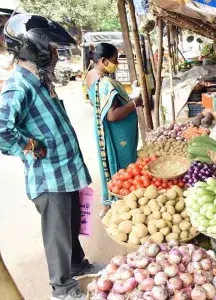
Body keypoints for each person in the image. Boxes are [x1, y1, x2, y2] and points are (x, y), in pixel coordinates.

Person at [0, 14, 101, 300]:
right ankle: (62, 288)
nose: (56, 54)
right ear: (35, 48)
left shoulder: (39, 81)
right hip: (48, 177)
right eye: (52, 48)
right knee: (57, 235)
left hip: (64, 172)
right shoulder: (19, 84)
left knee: (69, 225)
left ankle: (78, 265)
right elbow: (1, 127)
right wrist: (30, 146)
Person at [85, 43, 142, 216]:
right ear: (103, 61)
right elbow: (112, 115)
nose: (116, 63)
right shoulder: (106, 83)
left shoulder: (90, 76)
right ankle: (122, 201)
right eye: (115, 60)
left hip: (103, 130)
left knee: (108, 164)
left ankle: (109, 201)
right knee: (121, 166)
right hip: (116, 134)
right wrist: (135, 103)